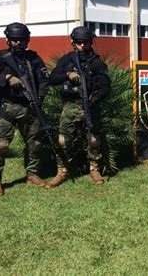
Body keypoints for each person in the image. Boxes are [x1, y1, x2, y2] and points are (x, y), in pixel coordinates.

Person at [0, 22, 50, 197]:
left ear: (27, 40)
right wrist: (7, 77)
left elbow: (44, 80)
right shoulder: (0, 57)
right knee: (1, 145)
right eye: (14, 40)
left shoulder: (33, 58)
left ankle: (32, 174)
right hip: (7, 106)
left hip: (30, 106)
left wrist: (39, 98)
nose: (18, 43)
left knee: (35, 143)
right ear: (8, 40)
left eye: (22, 39)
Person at [47, 26, 111, 188]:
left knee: (94, 140)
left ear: (90, 42)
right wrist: (67, 74)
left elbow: (105, 86)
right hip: (71, 106)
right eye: (79, 42)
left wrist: (93, 100)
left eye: (85, 42)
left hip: (90, 105)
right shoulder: (67, 59)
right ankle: (62, 170)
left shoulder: (96, 62)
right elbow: (52, 78)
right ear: (73, 43)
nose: (82, 45)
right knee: (62, 140)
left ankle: (94, 168)